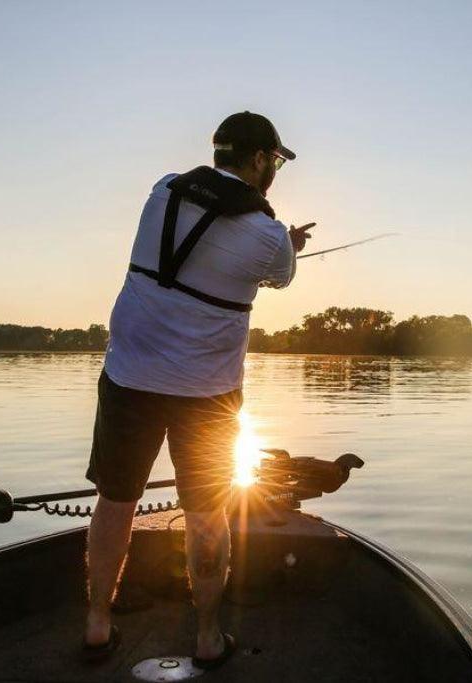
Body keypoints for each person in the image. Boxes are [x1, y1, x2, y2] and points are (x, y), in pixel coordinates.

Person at [81, 112, 313, 668]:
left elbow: (206, 241)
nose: (276, 171)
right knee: (208, 514)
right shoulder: (268, 237)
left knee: (115, 502)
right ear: (259, 159)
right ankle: (208, 638)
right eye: (276, 161)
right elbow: (278, 274)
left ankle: (95, 626)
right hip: (207, 396)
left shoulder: (161, 191)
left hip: (129, 378)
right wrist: (290, 243)